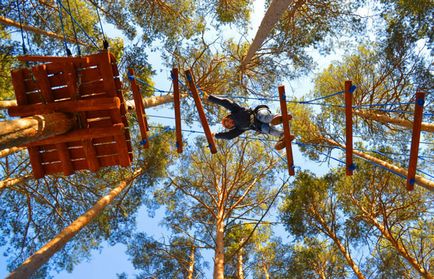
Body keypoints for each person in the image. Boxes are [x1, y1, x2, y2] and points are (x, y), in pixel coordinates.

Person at [206, 94, 293, 150]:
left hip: (257, 113)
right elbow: (229, 136)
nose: (229, 123)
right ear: (231, 127)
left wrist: (211, 98)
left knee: (263, 117)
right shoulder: (239, 129)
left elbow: (226, 102)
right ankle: (282, 136)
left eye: (227, 121)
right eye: (228, 125)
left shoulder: (235, 110)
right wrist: (216, 135)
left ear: (228, 117)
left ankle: (277, 118)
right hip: (259, 126)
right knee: (266, 129)